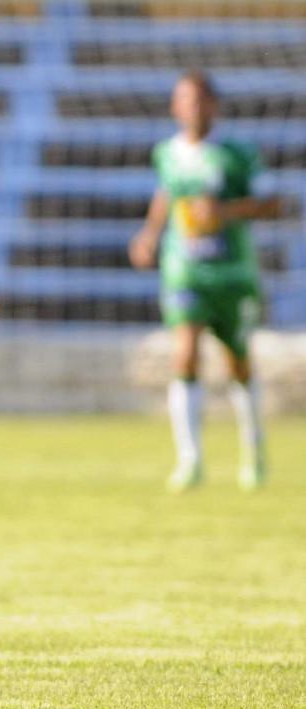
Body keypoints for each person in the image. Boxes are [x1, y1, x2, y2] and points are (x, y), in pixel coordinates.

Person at [129, 70, 280, 493]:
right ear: (176, 107)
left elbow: (272, 202)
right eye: (185, 101)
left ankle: (253, 451)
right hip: (185, 270)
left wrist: (225, 213)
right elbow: (166, 194)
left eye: (200, 100)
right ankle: (189, 460)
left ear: (213, 104)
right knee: (185, 354)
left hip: (233, 274)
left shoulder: (238, 153)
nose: (192, 109)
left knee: (238, 362)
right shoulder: (167, 153)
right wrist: (149, 235)